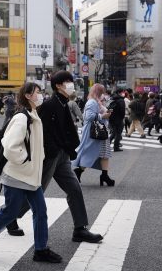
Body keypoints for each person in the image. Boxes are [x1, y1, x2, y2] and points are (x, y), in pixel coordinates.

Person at [0, 83, 62, 263]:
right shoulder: (22, 118)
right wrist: (25, 160)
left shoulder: (33, 115)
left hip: (30, 176)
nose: (41, 95)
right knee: (10, 212)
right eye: (38, 92)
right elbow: (10, 147)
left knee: (40, 211)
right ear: (28, 96)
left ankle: (41, 250)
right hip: (17, 175)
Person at [13, 71, 103, 243]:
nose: (71, 84)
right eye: (67, 81)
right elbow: (42, 132)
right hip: (50, 157)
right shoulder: (49, 105)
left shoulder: (64, 103)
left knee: (74, 189)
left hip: (62, 156)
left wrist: (68, 148)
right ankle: (10, 216)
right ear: (58, 86)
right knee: (35, 191)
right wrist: (54, 150)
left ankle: (80, 229)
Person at [73, 84, 114, 186]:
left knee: (104, 154)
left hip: (99, 132)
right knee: (91, 153)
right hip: (95, 132)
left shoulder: (95, 101)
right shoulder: (92, 102)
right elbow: (88, 117)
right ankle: (79, 171)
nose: (103, 93)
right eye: (101, 91)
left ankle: (104, 175)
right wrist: (103, 115)